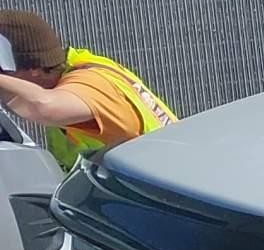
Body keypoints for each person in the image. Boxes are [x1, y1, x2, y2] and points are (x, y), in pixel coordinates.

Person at [0, 12, 178, 167]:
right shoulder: (69, 70)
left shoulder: (92, 85)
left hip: (162, 193)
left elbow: (42, 106)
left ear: (35, 70)